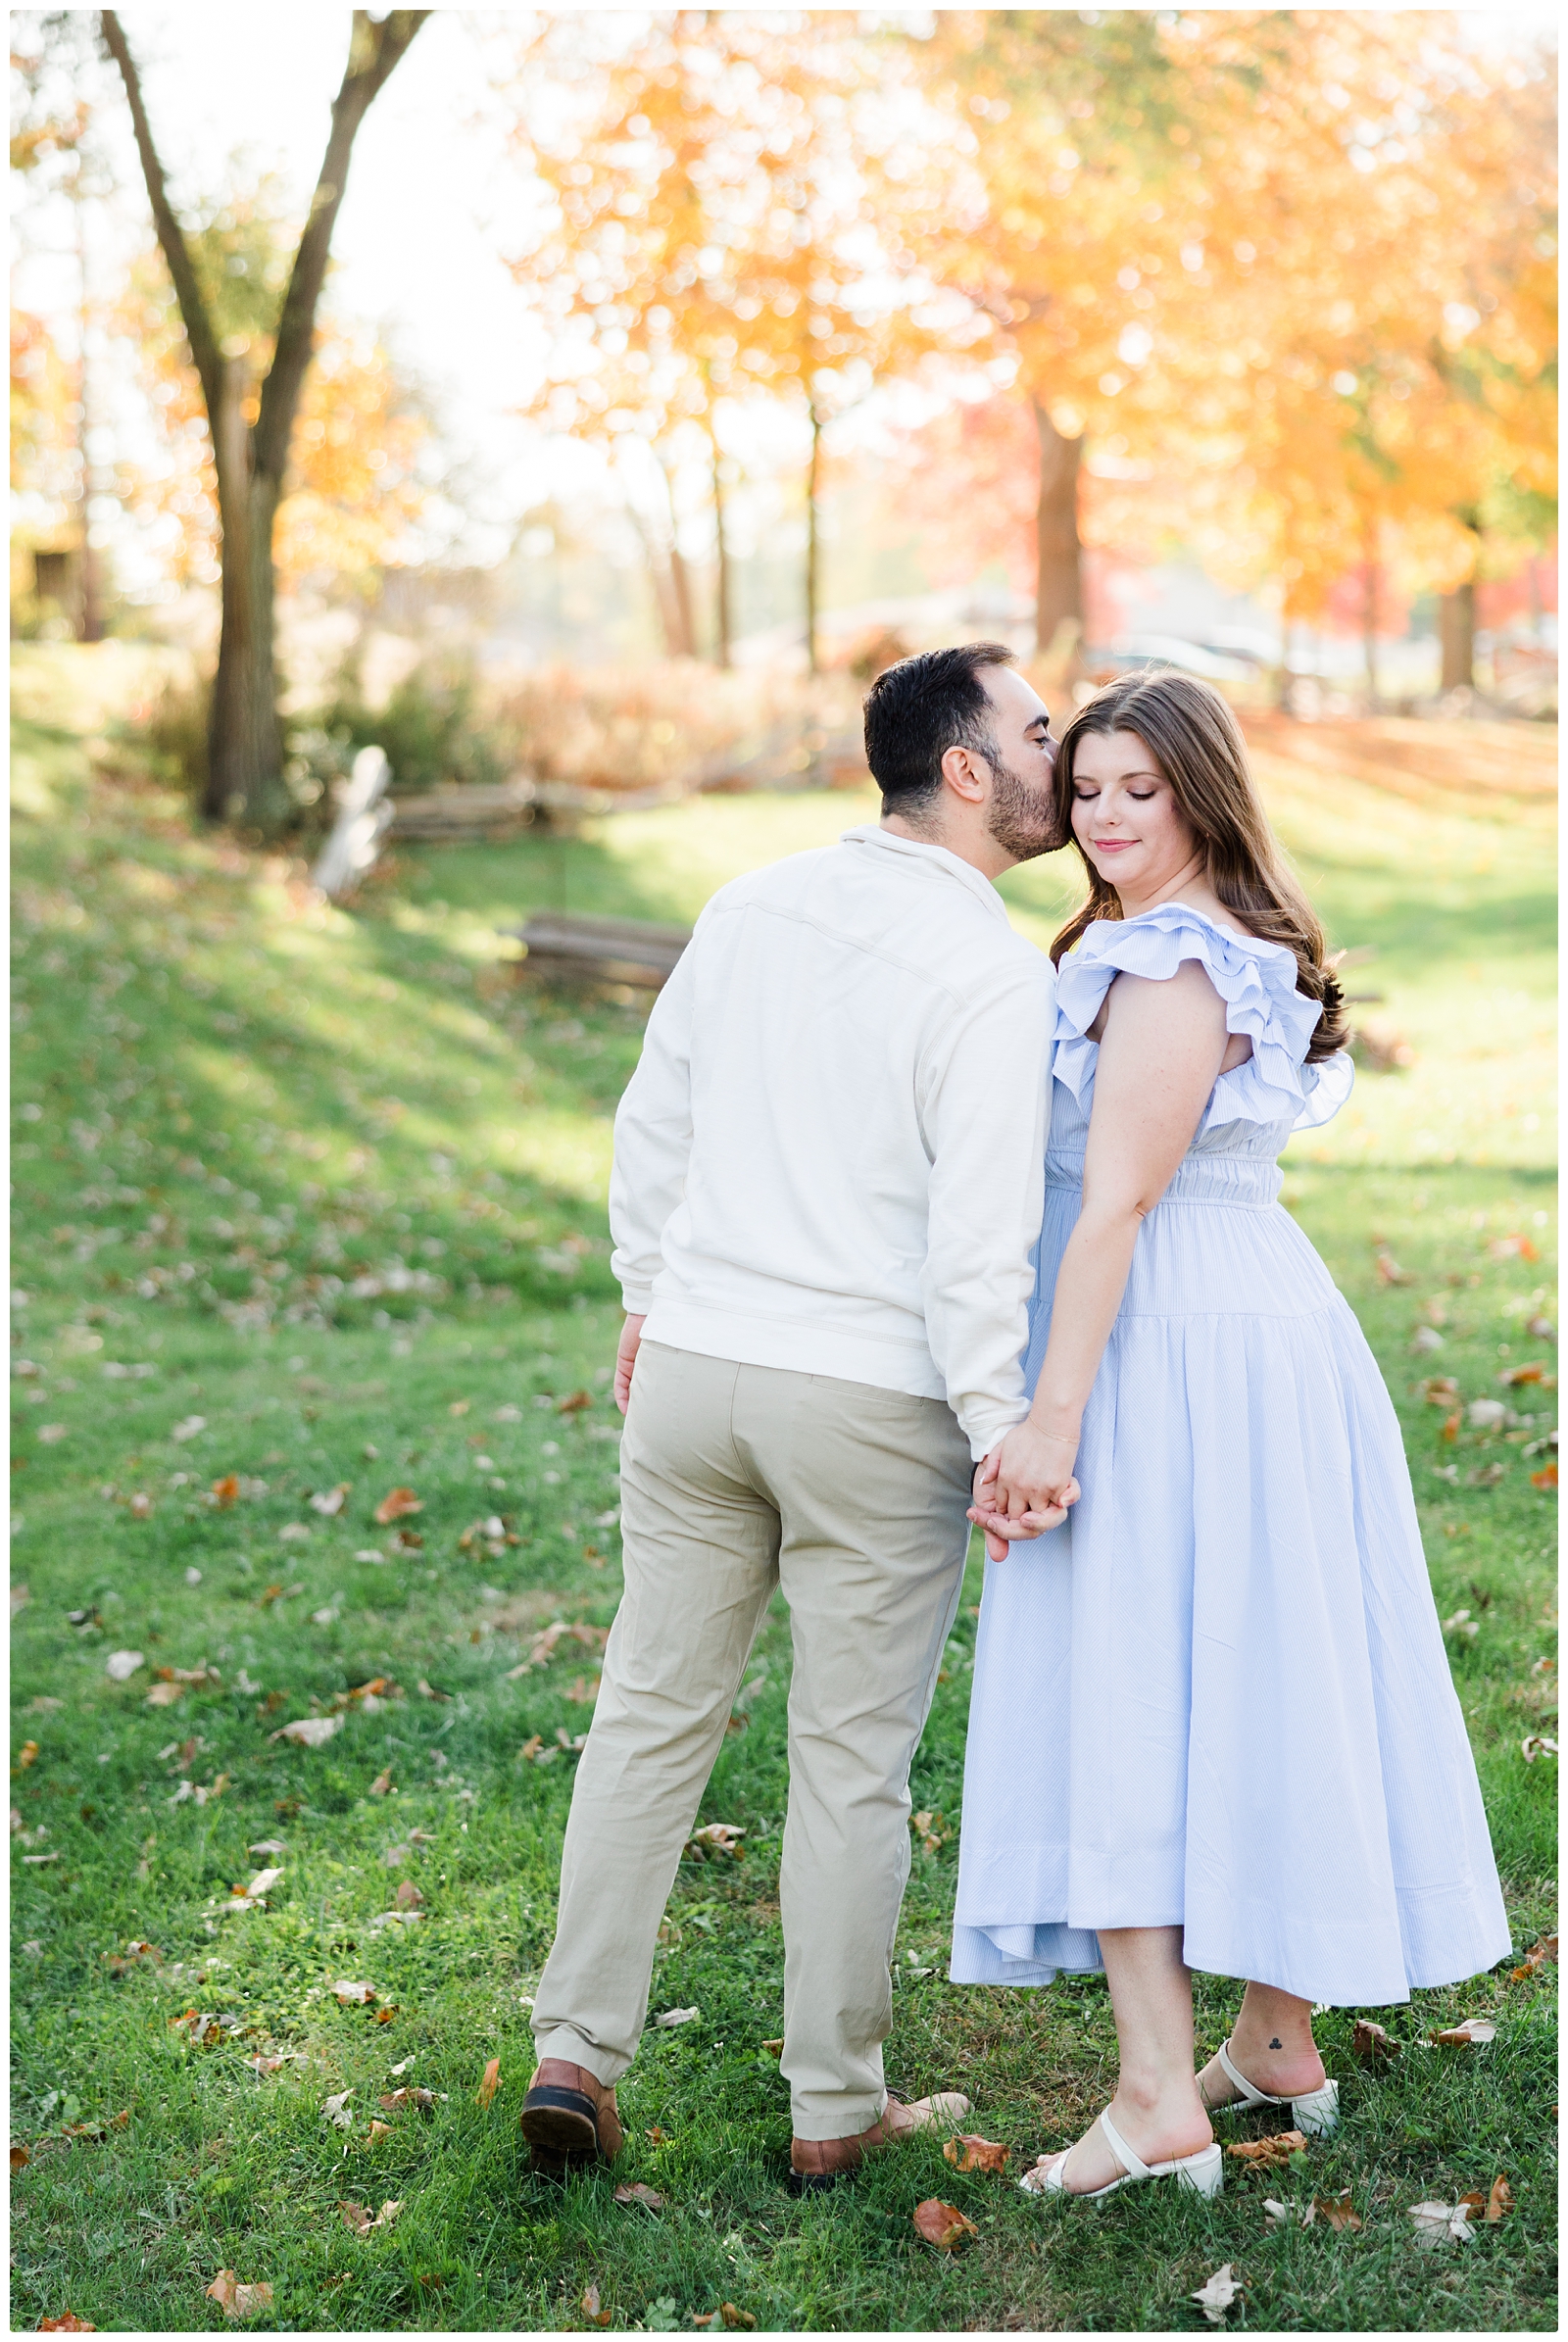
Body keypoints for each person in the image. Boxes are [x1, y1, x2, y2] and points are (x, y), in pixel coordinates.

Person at [956, 669, 1511, 2203]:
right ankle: (1272, 2038)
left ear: (1202, 792)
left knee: (1127, 1670)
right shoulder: (1204, 940)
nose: (1108, 816)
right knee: (1251, 1660)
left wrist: (1048, 1415)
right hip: (1250, 1323)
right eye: (1088, 789)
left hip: (1170, 1337)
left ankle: (1154, 2094)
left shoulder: (1176, 956)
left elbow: (1120, 1197)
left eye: (1143, 788)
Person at [521, 643, 1065, 2188]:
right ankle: (833, 2104)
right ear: (965, 769)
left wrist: (647, 1287)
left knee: (647, 1712)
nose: (1058, 750)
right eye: (1036, 730)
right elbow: (981, 1240)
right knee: (847, 1760)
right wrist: (995, 1421)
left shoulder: (751, 903)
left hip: (694, 1370)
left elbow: (656, 1116)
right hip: (871, 1398)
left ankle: (577, 2049)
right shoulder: (986, 975)